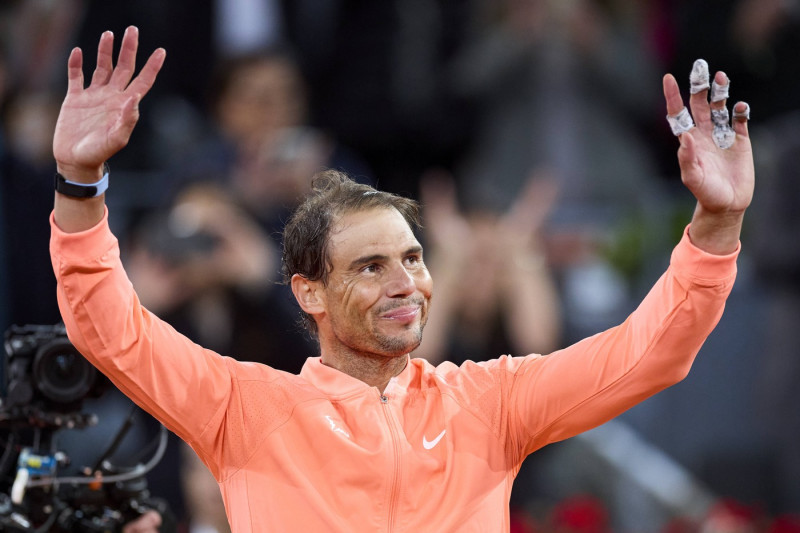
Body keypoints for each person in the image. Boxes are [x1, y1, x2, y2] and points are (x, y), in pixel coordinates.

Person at [48, 27, 753, 532]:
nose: (406, 282)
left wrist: (716, 225)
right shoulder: (242, 408)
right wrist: (81, 182)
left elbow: (649, 350)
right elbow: (108, 325)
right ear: (309, 293)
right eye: (371, 265)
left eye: (414, 258)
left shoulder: (490, 403)